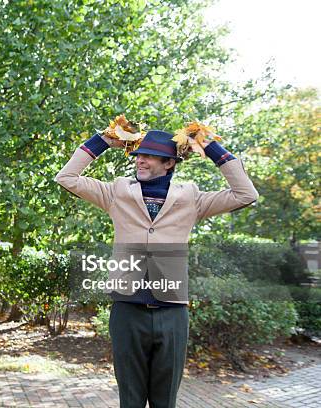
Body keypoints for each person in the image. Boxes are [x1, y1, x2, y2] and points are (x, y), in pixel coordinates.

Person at [54, 128, 259, 408]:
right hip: (127, 310)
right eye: (139, 155)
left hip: (172, 313)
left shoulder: (191, 198)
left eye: (150, 156)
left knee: (165, 402)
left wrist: (209, 147)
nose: (140, 161)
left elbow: (246, 193)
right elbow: (66, 178)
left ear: (169, 163)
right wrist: (101, 141)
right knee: (131, 400)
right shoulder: (117, 192)